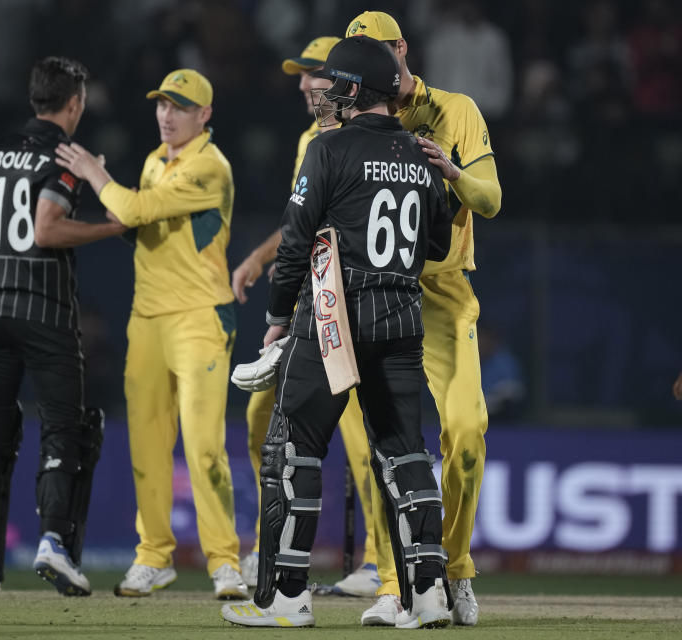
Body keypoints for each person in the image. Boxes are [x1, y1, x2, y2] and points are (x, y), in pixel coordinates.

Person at [221, 35, 453, 628]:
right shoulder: (422, 154)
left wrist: (276, 321)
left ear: (352, 89)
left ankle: (284, 599)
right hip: (402, 317)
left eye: (333, 82)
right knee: (405, 454)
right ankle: (428, 596)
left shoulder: (326, 150)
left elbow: (295, 242)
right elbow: (438, 244)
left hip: (335, 319)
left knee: (291, 450)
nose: (324, 90)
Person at [55, 69, 248, 600]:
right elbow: (139, 223)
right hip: (148, 320)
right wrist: (117, 196)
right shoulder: (152, 161)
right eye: (162, 105)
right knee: (147, 446)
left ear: (204, 116)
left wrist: (94, 173)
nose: (166, 115)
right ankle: (153, 558)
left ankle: (224, 563)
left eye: (180, 107)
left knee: (204, 447)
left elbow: (136, 209)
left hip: (200, 319)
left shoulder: (211, 167)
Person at [343, 11, 503, 627]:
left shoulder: (455, 110)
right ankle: (393, 582)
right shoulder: (349, 116)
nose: (369, 67)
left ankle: (456, 566)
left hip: (440, 294)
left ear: (402, 49)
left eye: (377, 52)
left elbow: (491, 200)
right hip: (373, 292)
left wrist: (452, 171)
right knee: (385, 446)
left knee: (466, 430)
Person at [0, 56, 127, 596]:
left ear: (35, 98)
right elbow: (48, 230)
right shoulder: (64, 157)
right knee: (63, 431)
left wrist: (1, 259)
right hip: (47, 312)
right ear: (74, 104)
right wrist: (110, 227)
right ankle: (53, 542)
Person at [230, 35, 381, 597]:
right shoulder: (308, 138)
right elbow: (301, 218)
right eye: (298, 76)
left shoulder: (352, 138)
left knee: (360, 440)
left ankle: (379, 564)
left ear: (340, 81)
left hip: (343, 306)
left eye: (311, 74)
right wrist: (259, 257)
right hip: (304, 300)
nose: (300, 84)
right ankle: (266, 548)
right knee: (259, 423)